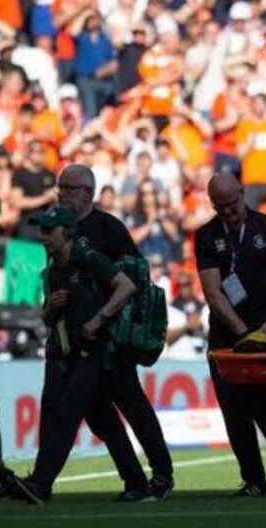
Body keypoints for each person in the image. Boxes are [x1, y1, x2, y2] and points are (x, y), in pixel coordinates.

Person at [15, 206, 150, 503]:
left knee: (66, 415)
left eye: (50, 231)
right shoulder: (50, 271)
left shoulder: (88, 260)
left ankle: (41, 483)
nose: (44, 237)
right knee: (101, 421)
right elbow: (48, 318)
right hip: (61, 351)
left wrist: (98, 319)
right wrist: (50, 309)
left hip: (92, 351)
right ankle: (137, 483)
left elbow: (126, 286)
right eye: (43, 231)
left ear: (68, 233)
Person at [56, 164, 175, 499]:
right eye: (59, 187)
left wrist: (112, 319)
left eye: (68, 187)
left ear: (86, 192)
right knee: (98, 415)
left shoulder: (109, 228)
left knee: (132, 405)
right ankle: (134, 479)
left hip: (111, 336)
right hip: (79, 336)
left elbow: (137, 279)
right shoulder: (58, 228)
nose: (61, 193)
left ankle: (162, 474)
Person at [195, 173, 266, 497]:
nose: (228, 212)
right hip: (228, 332)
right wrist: (241, 333)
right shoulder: (206, 235)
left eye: (232, 204)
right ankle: (255, 479)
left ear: (242, 194)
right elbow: (212, 292)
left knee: (256, 398)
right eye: (221, 207)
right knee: (231, 405)